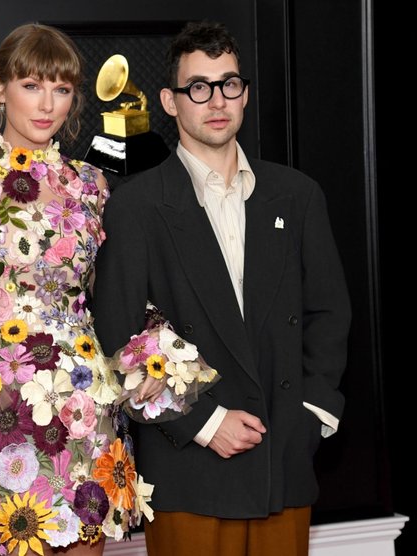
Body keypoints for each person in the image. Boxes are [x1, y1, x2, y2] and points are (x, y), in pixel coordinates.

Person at [0, 23, 216, 556]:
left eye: (61, 89)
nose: (47, 104)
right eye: (32, 85)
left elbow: (116, 294)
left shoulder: (90, 185)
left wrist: (154, 356)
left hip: (85, 409)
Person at [92, 20, 352, 556]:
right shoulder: (136, 206)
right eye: (199, 87)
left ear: (245, 94)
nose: (217, 101)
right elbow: (118, 335)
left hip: (282, 456)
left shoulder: (297, 196)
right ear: (170, 101)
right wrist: (206, 423)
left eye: (229, 84)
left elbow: (329, 313)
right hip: (190, 467)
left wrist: (311, 416)